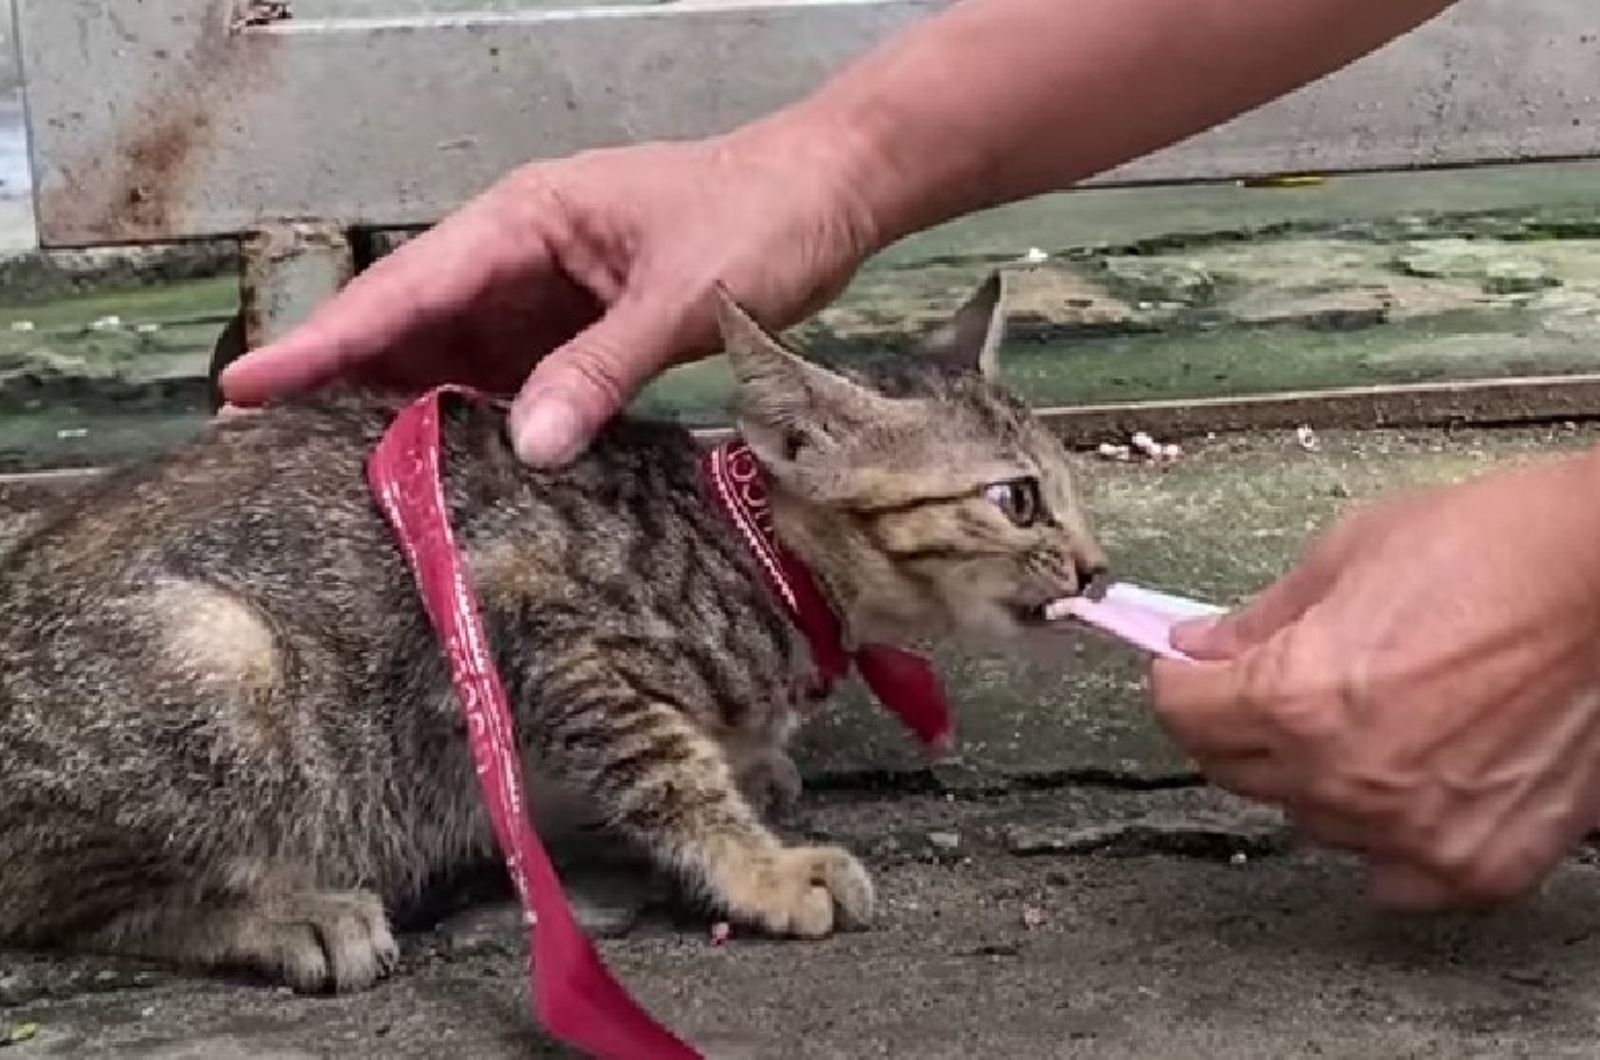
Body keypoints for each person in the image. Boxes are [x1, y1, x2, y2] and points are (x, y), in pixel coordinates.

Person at [220, 0, 1600, 912]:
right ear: (798, 446)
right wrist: (836, 158)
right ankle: (184, 896)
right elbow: (568, 642)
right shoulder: (723, 547)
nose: (1091, 557)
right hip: (255, 719)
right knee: (218, 666)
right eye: (1024, 504)